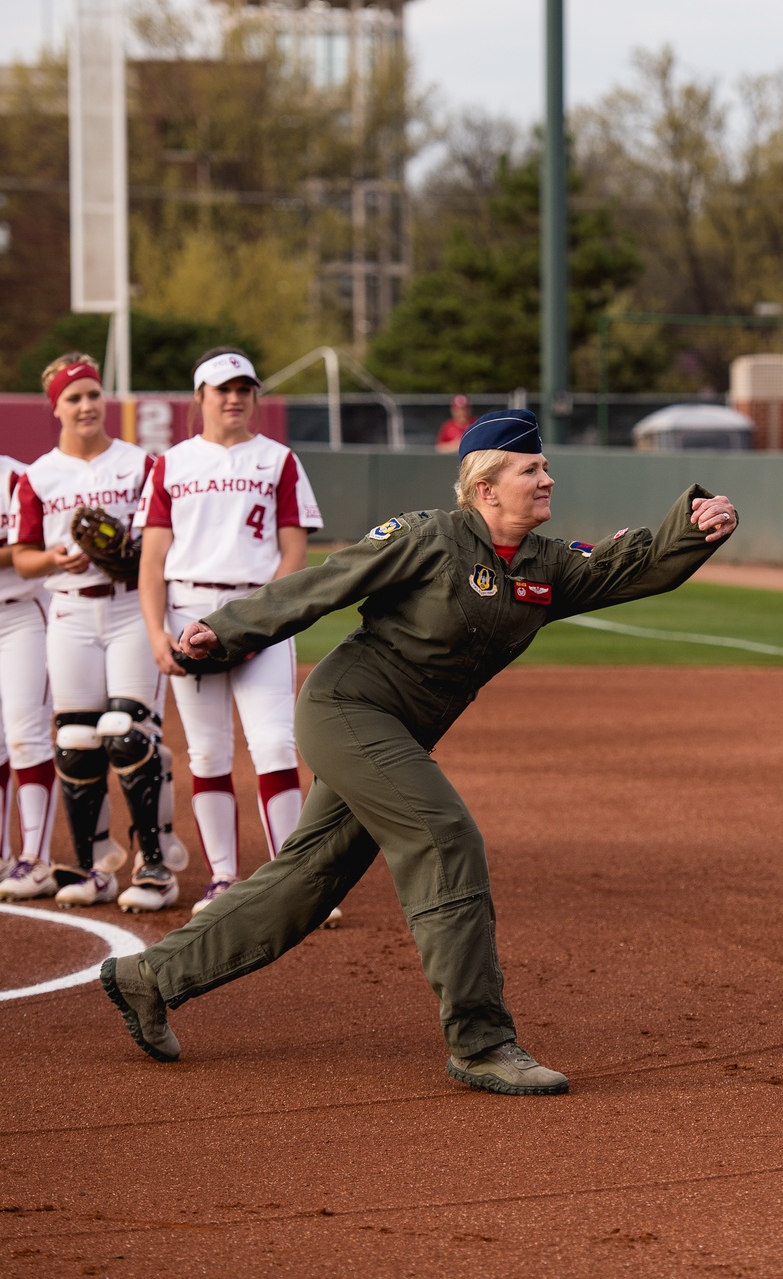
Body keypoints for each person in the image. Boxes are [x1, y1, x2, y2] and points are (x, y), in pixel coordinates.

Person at [100, 408, 737, 1095]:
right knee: (444, 836)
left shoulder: (545, 567)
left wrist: (693, 523)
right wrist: (224, 633)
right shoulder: (431, 537)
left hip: (396, 737)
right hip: (348, 710)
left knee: (307, 884)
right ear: (487, 487)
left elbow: (626, 565)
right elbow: (325, 583)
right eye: (532, 469)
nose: (548, 478)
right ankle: (481, 1040)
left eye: (545, 466)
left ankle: (149, 978)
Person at [134, 347, 328, 916]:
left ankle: (293, 881)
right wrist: (154, 636)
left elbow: (295, 548)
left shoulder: (278, 459)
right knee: (209, 751)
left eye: (244, 389)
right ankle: (222, 878)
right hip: (187, 609)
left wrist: (261, 620)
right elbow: (152, 561)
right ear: (200, 397)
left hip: (257, 609)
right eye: (223, 389)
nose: (235, 398)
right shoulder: (171, 463)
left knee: (273, 742)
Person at [9, 353, 185, 911]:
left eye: (91, 394)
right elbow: (23, 558)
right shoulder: (39, 475)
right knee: (75, 741)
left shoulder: (139, 464)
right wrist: (55, 561)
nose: (85, 405)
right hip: (69, 613)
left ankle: (155, 864)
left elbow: (162, 536)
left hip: (132, 606)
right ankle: (93, 865)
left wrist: (130, 557)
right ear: (55, 407)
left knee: (127, 732)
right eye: (73, 397)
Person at [0, 452, 58, 899]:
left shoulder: (19, 476)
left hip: (22, 615)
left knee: (26, 734)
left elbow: (32, 553)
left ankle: (34, 858)